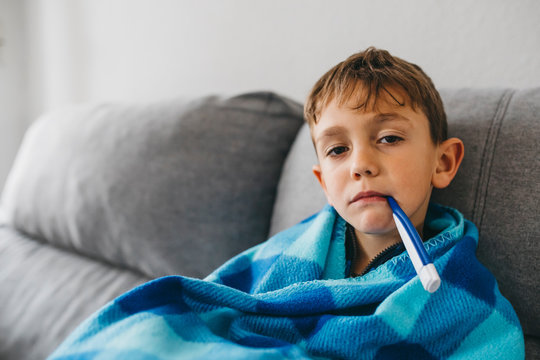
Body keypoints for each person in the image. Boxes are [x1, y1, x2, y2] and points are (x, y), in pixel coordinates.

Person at [48, 48, 524, 359]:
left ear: (444, 162)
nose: (360, 164)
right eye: (338, 150)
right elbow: (214, 310)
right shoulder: (292, 248)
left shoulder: (465, 293)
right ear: (323, 181)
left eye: (389, 137)